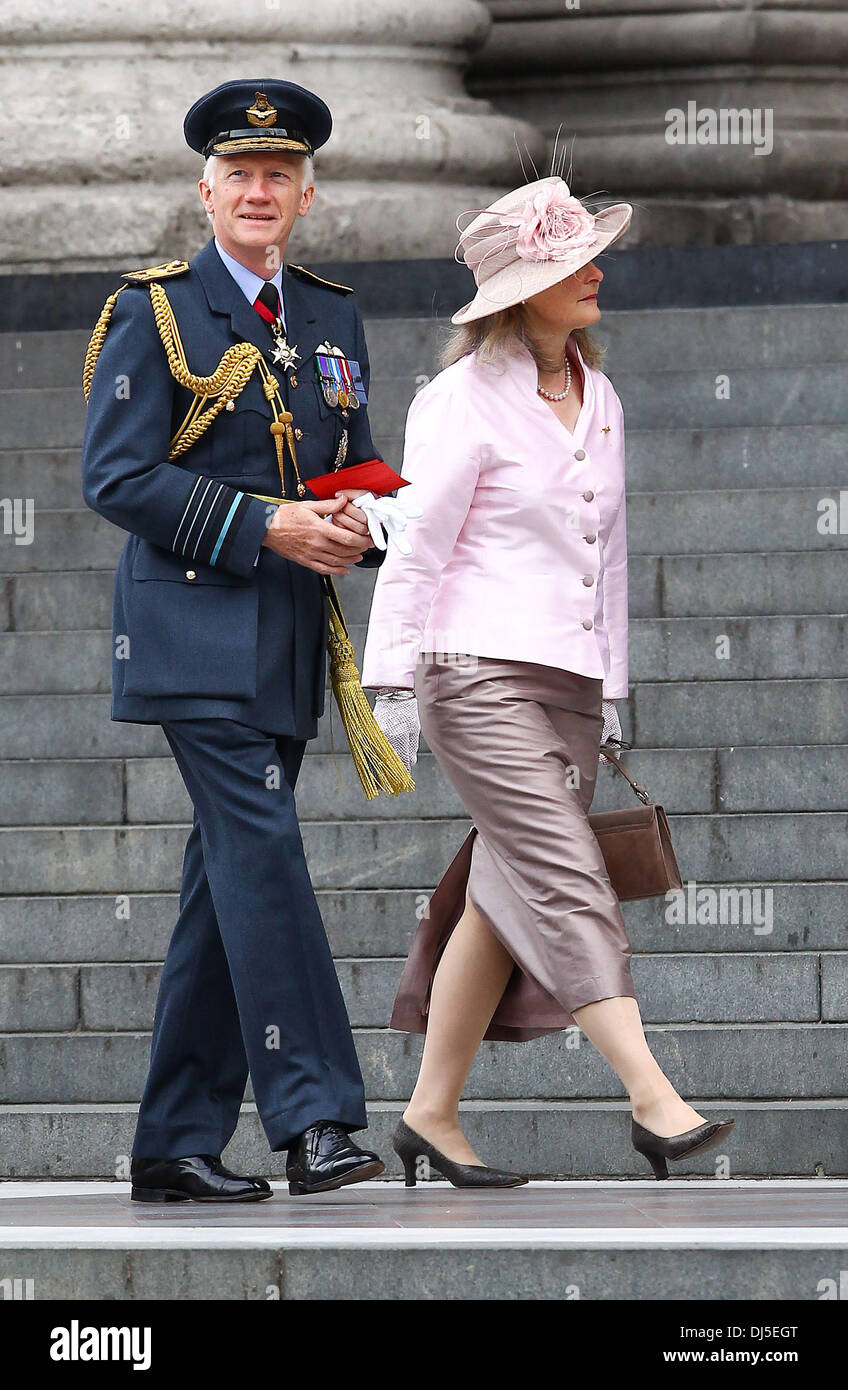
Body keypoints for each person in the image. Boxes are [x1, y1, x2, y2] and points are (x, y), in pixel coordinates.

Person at [361, 175, 734, 1185]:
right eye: (571, 264)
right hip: (471, 675)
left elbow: (608, 553)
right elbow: (418, 547)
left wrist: (607, 677)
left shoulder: (597, 396)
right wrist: (389, 681)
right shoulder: (454, 401)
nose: (595, 273)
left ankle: (430, 1114)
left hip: (566, 682)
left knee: (501, 891)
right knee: (565, 875)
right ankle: (652, 1098)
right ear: (519, 291)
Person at [81, 78, 389, 1200]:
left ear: (305, 195)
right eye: (239, 175)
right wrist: (268, 524)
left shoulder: (328, 314)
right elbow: (114, 477)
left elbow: (357, 460)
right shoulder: (154, 309)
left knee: (223, 879)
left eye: (279, 175)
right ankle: (315, 1120)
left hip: (291, 634)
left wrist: (362, 524)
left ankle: (172, 1141)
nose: (259, 191)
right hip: (192, 631)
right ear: (204, 191)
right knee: (262, 853)